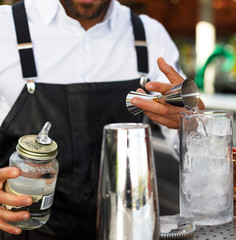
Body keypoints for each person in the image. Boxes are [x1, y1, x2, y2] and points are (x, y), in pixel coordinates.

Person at [0, 0, 204, 239]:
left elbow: (195, 153)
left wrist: (194, 120)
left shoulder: (150, 34)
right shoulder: (5, 27)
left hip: (125, 229)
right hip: (25, 229)